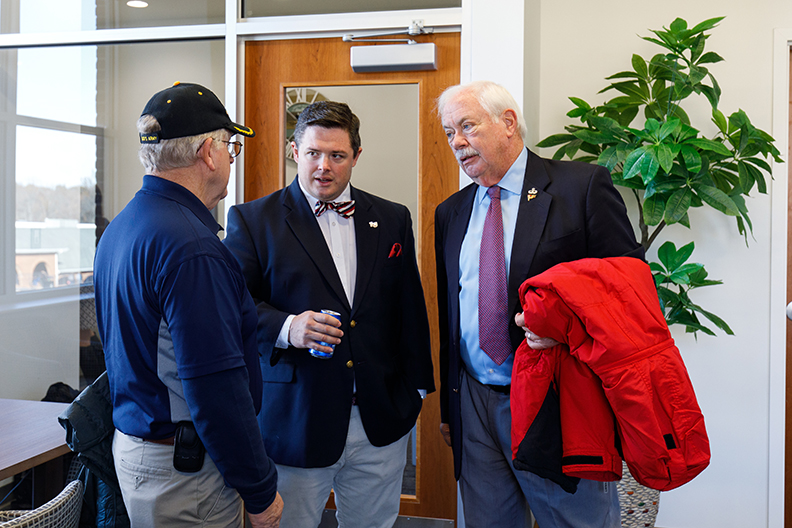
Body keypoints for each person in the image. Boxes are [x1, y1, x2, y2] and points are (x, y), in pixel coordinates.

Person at [434, 80, 645, 527]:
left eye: (467, 126)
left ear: (508, 122)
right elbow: (450, 314)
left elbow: (630, 287)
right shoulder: (450, 212)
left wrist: (564, 324)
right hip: (475, 403)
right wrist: (449, 410)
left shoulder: (581, 186)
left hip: (559, 400)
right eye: (449, 132)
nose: (456, 142)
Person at [223, 100, 435, 528]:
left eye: (337, 155)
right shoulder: (252, 220)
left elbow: (409, 307)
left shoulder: (392, 218)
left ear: (356, 157)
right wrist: (288, 328)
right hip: (296, 419)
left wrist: (417, 393)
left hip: (379, 420)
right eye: (314, 153)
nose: (324, 166)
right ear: (294, 151)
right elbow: (234, 306)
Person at [93, 82, 283, 528]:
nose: (232, 158)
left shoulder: (124, 227)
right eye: (231, 147)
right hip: (185, 474)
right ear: (209, 153)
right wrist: (259, 491)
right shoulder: (191, 247)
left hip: (144, 452)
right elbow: (214, 386)